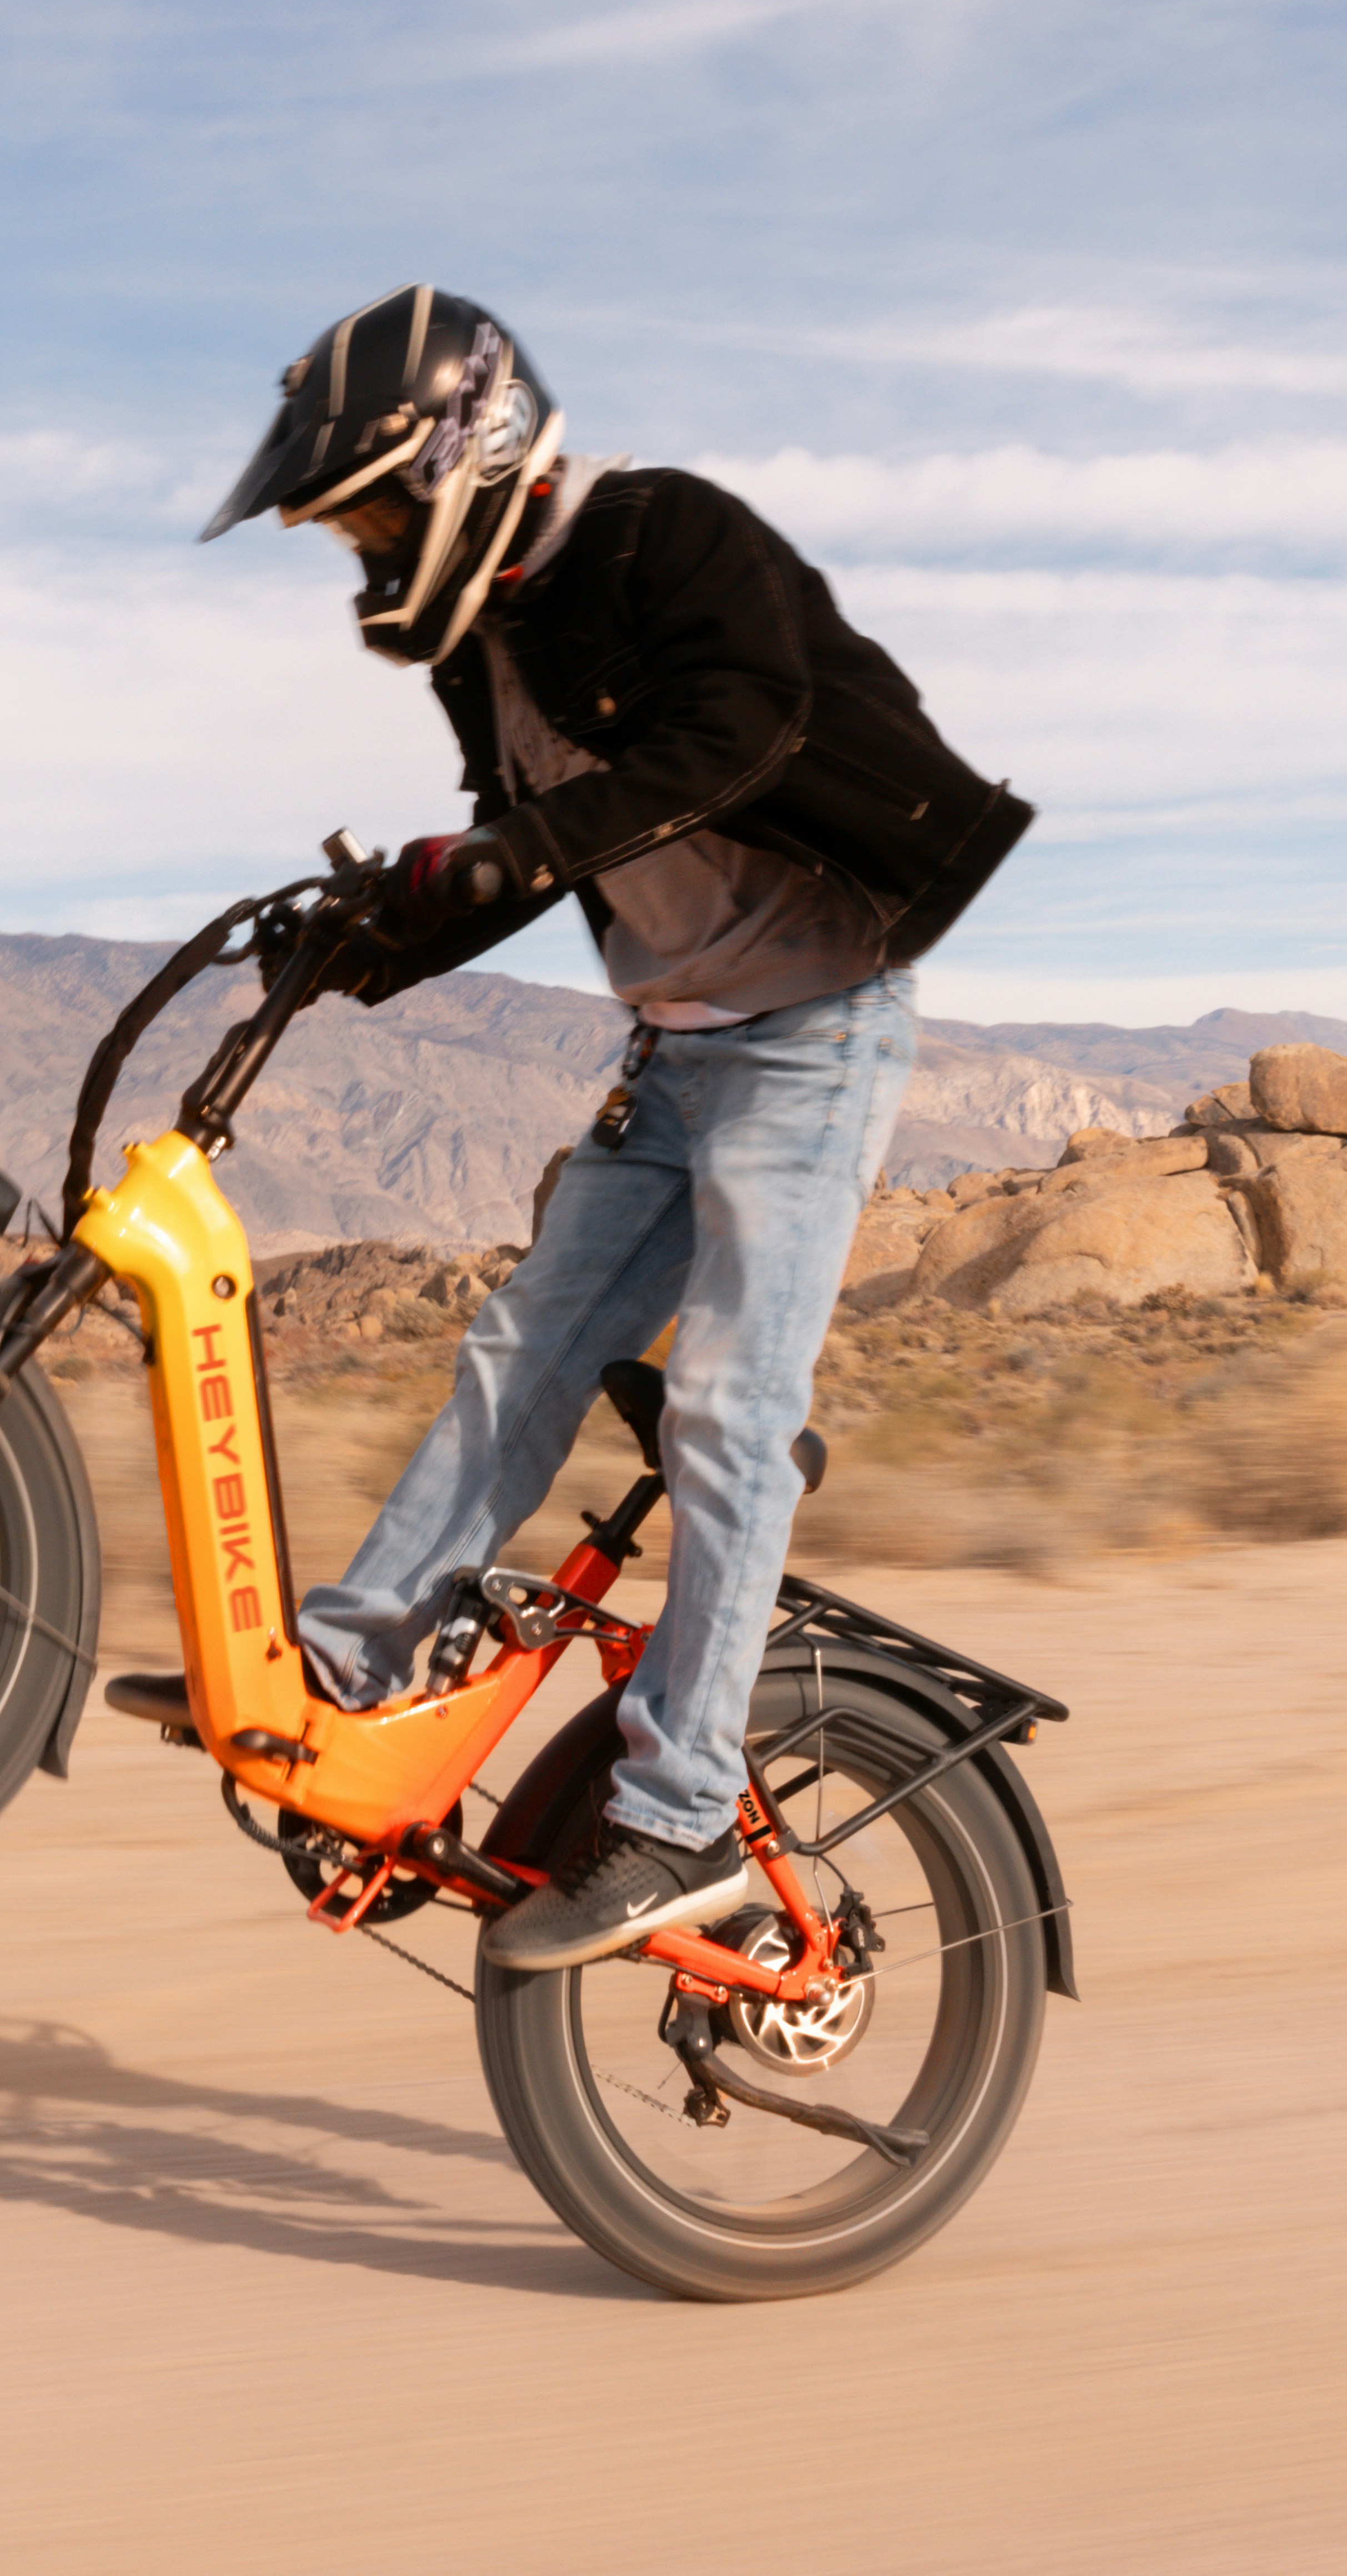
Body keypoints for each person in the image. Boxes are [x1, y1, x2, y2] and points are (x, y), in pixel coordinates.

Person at [114, 286, 1033, 1973]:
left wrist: (510, 862)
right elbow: (524, 832)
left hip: (812, 1038)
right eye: (351, 534)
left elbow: (736, 733)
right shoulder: (492, 643)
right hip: (676, 1053)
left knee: (728, 1422)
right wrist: (371, 939)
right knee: (516, 1354)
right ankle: (350, 1664)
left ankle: (679, 1818)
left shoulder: (672, 536)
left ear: (466, 457)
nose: (369, 555)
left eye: (377, 513)